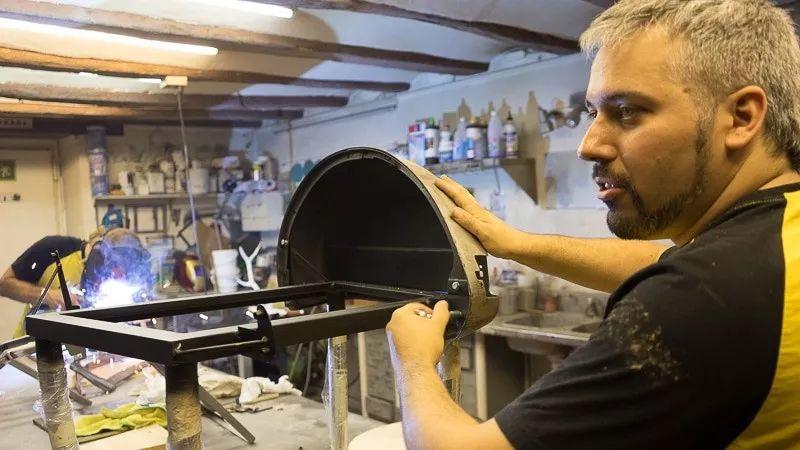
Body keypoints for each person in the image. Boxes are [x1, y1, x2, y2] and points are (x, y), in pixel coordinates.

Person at [386, 0, 800, 448]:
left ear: (741, 117)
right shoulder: (771, 240)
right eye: (593, 113)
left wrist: (413, 360)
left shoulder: (699, 300)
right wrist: (513, 242)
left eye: (627, 111)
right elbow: (663, 261)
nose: (588, 145)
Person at [0, 228, 150, 336]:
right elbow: (4, 285)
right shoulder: (54, 249)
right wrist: (48, 295)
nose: (116, 277)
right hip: (27, 353)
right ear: (99, 252)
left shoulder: (122, 278)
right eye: (113, 269)